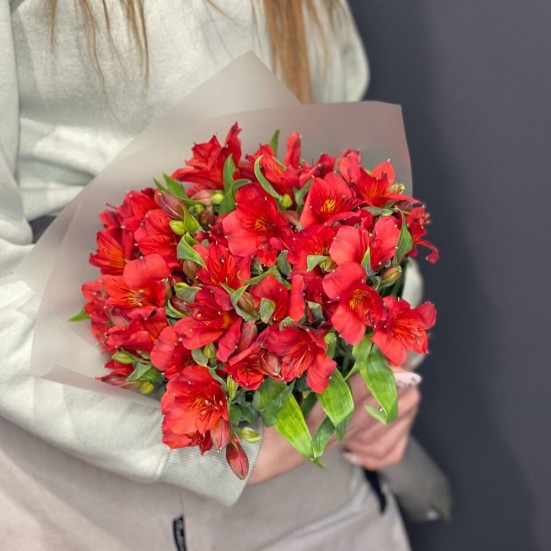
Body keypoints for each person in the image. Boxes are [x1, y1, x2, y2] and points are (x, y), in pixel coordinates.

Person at [0, 1, 422, 549]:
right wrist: (214, 455)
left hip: (321, 500)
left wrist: (381, 369)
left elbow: (349, 176)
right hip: (97, 507)